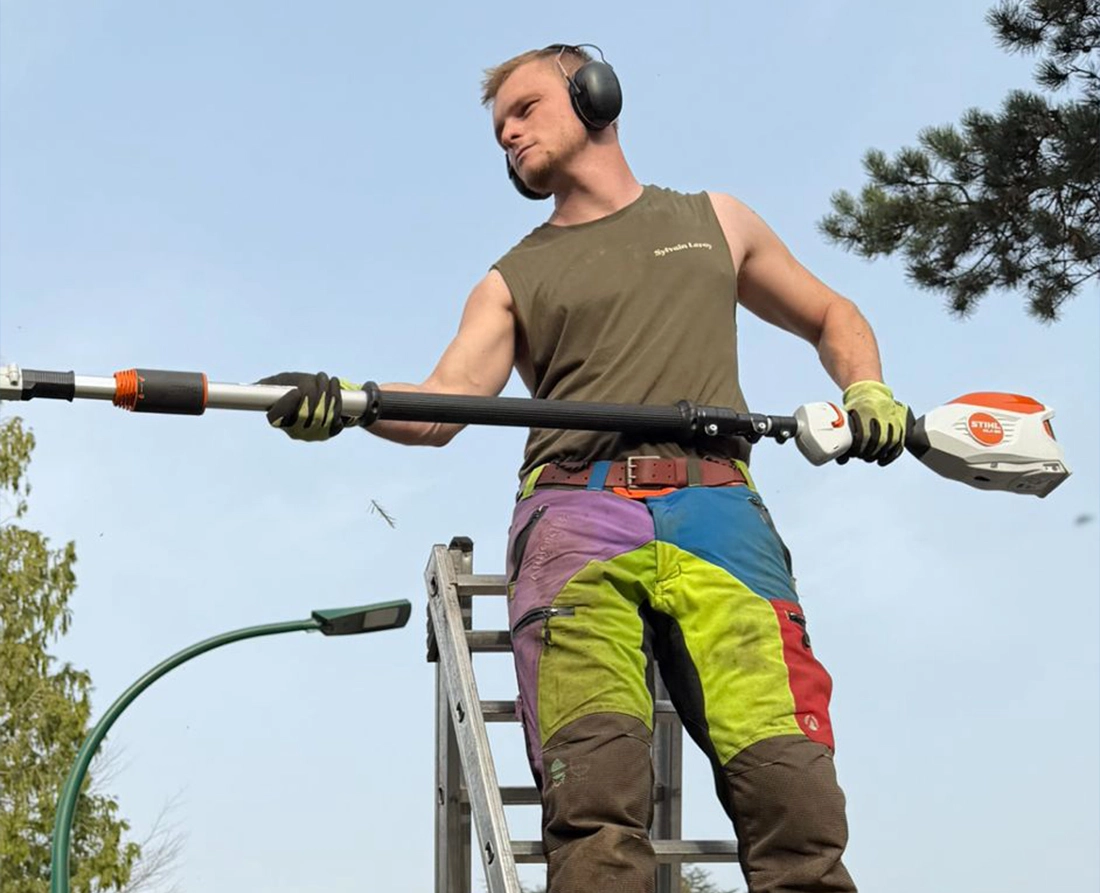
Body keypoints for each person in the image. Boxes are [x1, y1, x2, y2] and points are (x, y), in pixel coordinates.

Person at [260, 44, 909, 893]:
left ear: (594, 94)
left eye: (525, 110)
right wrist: (350, 402)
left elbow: (833, 313)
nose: (510, 135)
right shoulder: (513, 277)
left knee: (791, 785)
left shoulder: (715, 220)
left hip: (719, 509)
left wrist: (865, 384)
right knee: (595, 797)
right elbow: (446, 402)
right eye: (499, 130)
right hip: (575, 519)